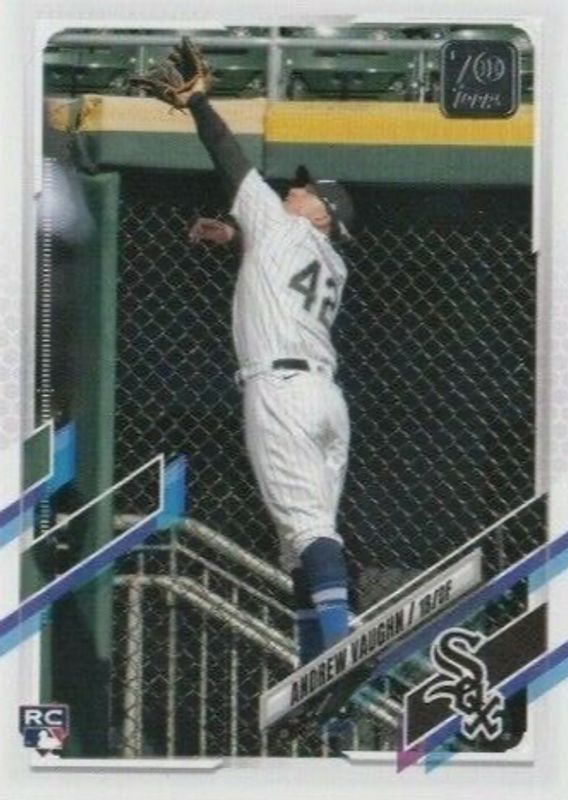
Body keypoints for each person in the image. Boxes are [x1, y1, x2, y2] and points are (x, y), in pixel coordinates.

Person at [184, 76, 354, 666]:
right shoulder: (332, 263)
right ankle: (317, 667)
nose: (293, 189)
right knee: (303, 540)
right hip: (325, 398)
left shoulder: (283, 228)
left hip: (280, 391)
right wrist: (238, 236)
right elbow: (277, 262)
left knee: (307, 533)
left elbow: (229, 158)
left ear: (322, 214)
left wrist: (197, 104)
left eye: (304, 190)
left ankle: (338, 649)